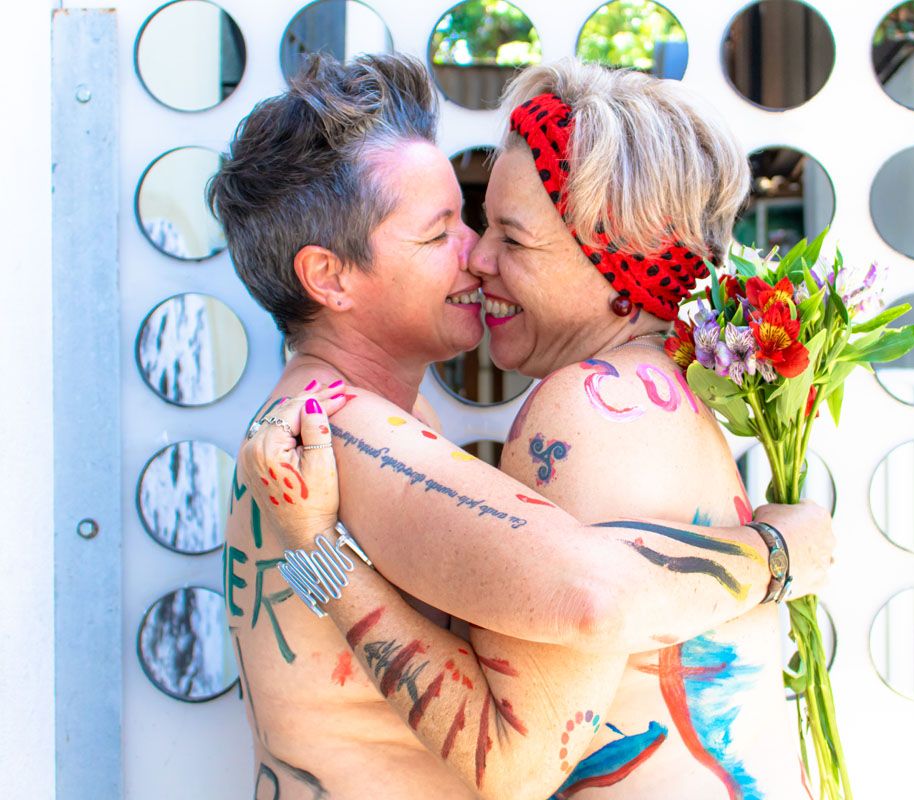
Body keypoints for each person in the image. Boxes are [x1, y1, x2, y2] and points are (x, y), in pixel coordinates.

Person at [216, 53, 833, 799]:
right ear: (330, 276)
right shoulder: (328, 435)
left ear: (611, 259)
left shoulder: (432, 419)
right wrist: (777, 555)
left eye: (499, 232)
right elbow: (588, 601)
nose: (475, 256)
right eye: (441, 233)